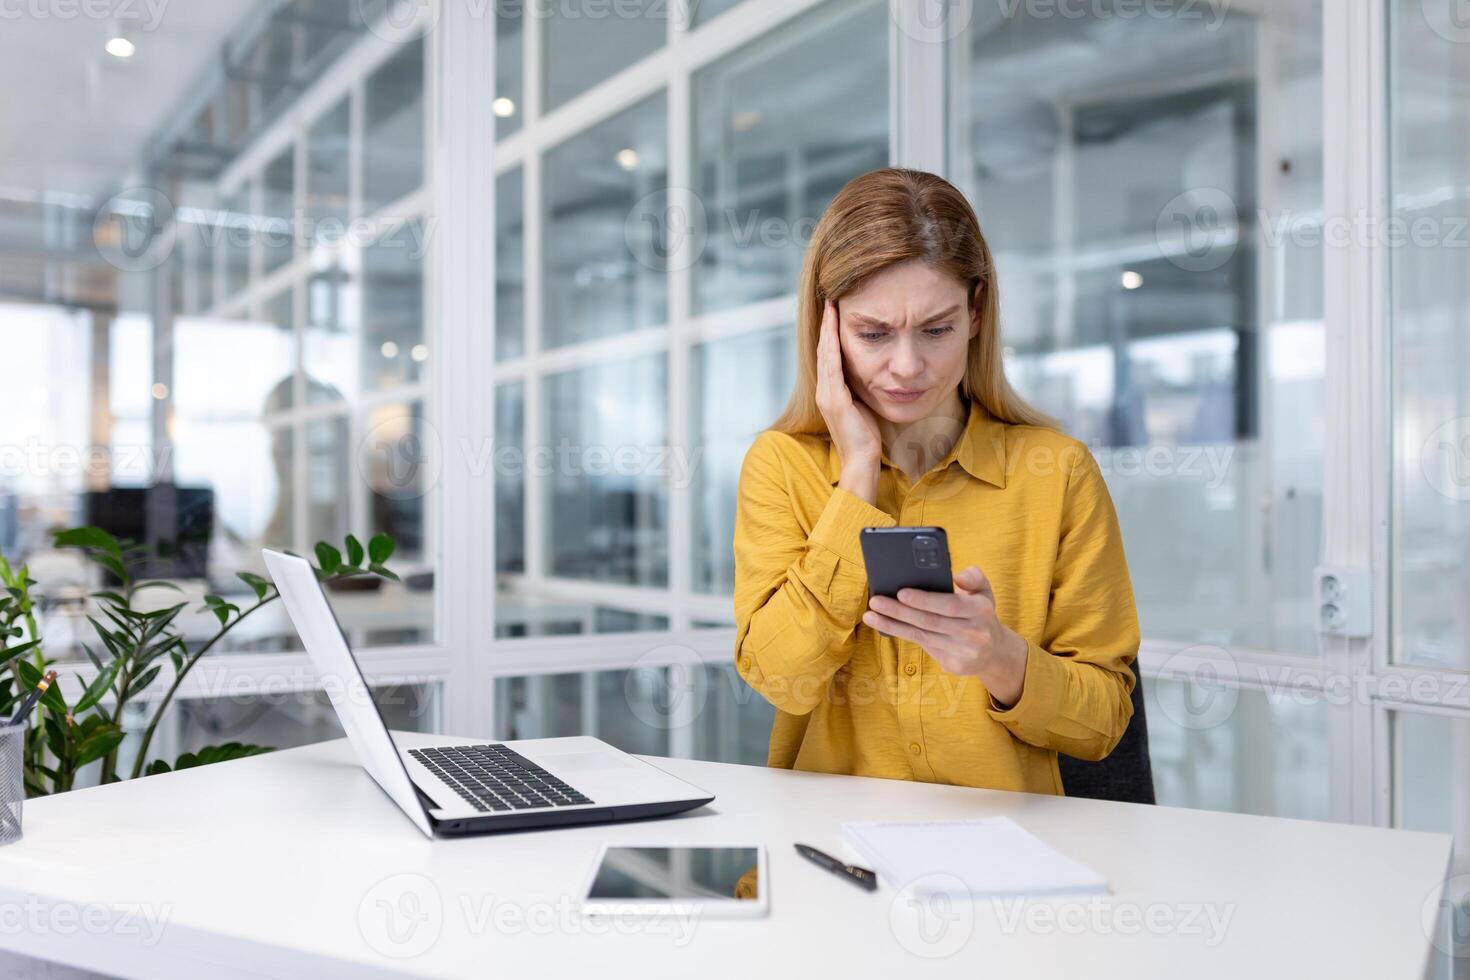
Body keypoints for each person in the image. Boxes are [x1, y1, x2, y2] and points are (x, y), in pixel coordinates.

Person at [731, 168, 1140, 796]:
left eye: (936, 329)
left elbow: (1104, 724)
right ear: (827, 326)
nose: (906, 366)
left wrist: (1001, 659)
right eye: (872, 334)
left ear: (976, 314)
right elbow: (782, 678)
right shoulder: (782, 465)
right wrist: (858, 477)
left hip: (1002, 864)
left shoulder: (1057, 473)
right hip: (829, 857)